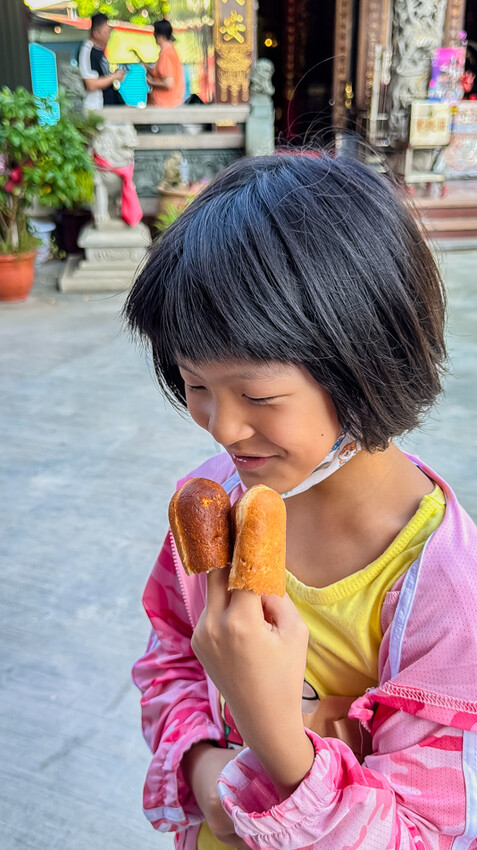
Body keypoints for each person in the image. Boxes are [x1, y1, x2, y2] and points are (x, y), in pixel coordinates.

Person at [123, 152, 477, 850]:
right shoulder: (211, 506)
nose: (222, 427)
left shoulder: (447, 597)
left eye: (257, 396)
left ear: (367, 363)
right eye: (195, 385)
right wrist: (198, 766)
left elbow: (425, 834)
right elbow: (168, 655)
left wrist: (277, 739)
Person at [78, 12, 125, 109]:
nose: (109, 36)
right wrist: (114, 77)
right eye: (106, 32)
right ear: (96, 33)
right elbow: (91, 84)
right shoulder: (87, 50)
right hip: (96, 106)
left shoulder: (100, 50)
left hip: (110, 104)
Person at [145, 19, 185, 108]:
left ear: (159, 35)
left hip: (166, 105)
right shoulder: (168, 51)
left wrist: (150, 82)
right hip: (167, 104)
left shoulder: (167, 53)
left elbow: (168, 83)